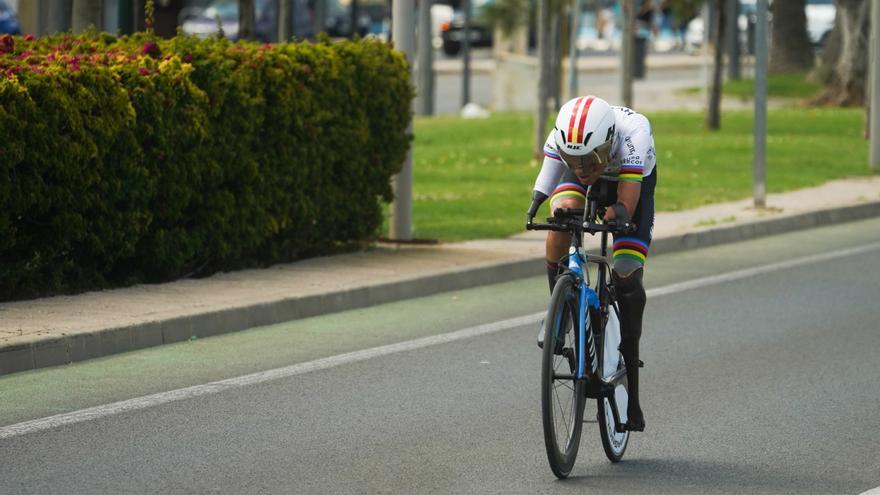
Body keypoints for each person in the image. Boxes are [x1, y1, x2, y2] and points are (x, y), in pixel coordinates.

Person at [526, 95, 657, 432]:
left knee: (626, 270)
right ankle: (560, 309)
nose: (582, 170)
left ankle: (630, 356)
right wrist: (537, 206)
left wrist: (618, 214)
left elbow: (627, 199)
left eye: (588, 161)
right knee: (561, 216)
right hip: (595, 159)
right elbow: (548, 178)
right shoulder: (566, 140)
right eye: (575, 160)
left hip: (630, 179)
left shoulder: (633, 134)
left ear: (607, 143)